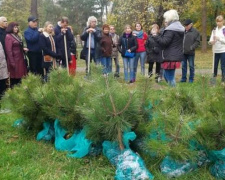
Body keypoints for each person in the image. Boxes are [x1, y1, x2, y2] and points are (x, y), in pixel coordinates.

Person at [152, 9, 185, 87]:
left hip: (170, 56)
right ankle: (172, 93)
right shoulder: (179, 28)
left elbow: (164, 42)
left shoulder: (171, 29)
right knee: (167, 76)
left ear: (170, 18)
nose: (166, 20)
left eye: (166, 18)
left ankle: (174, 94)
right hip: (174, 55)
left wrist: (155, 36)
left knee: (169, 77)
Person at [5, 22, 28, 88]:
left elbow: (19, 46)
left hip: (20, 59)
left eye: (17, 27)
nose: (16, 28)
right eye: (15, 27)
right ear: (11, 28)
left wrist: (23, 49)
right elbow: (8, 51)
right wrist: (12, 62)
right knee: (15, 78)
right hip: (14, 60)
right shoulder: (8, 36)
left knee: (21, 77)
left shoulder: (17, 36)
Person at [209, 15, 225, 83]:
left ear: (223, 21)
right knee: (214, 66)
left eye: (220, 21)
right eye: (217, 22)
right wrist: (211, 42)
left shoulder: (224, 29)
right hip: (215, 51)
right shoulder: (214, 30)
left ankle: (223, 80)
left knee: (223, 66)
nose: (218, 23)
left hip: (223, 50)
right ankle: (213, 81)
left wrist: (219, 39)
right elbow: (210, 40)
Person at [0, 16, 8, 106]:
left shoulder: (6, 32)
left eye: (7, 21)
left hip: (4, 57)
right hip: (1, 57)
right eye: (4, 21)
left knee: (3, 79)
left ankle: (3, 98)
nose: (6, 22)